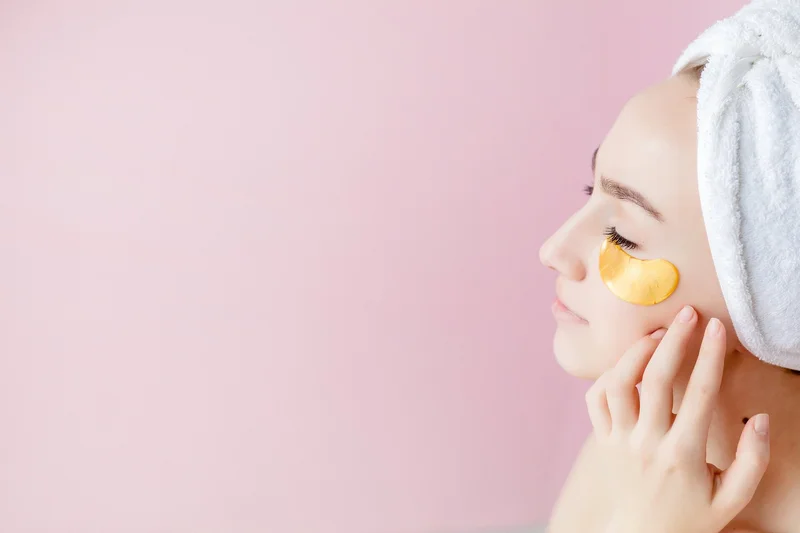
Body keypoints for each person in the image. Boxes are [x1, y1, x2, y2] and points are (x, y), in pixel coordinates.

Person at [539, 1, 800, 532]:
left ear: (777, 293)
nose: (553, 250)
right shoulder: (631, 459)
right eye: (590, 190)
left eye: (624, 236)